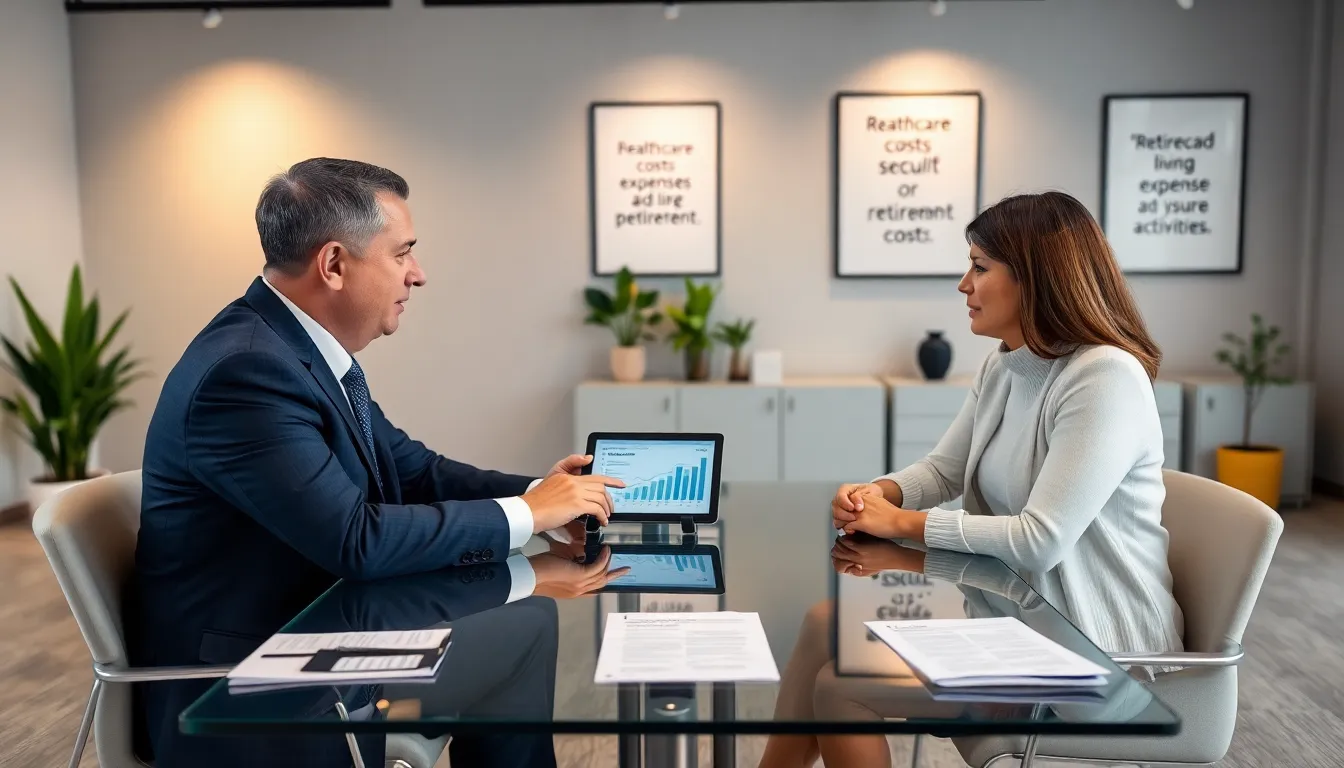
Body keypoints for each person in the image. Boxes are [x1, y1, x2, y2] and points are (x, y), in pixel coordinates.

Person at [127, 157, 624, 767]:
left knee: (525, 622)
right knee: (524, 629)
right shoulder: (247, 373)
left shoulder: (295, 351)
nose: (418, 274)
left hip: (313, 641)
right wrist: (526, 512)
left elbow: (413, 472)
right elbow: (355, 540)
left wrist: (550, 496)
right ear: (334, 264)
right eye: (402, 253)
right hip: (255, 685)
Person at [773, 191, 1184, 767]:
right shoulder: (1005, 364)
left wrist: (903, 523)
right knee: (823, 622)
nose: (963, 284)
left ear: (1035, 278)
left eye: (979, 266)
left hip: (1093, 654)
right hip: (1017, 617)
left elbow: (1041, 540)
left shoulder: (1103, 377)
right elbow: (944, 469)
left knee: (841, 686)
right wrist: (879, 493)